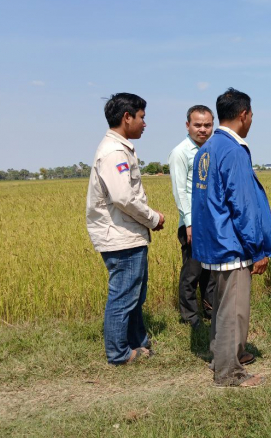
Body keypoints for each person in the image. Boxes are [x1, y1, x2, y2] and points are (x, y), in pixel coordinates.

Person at [192, 88, 271, 387]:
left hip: (214, 241)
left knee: (222, 304)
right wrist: (257, 249)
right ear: (244, 115)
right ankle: (230, 372)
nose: (251, 120)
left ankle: (221, 355)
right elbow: (243, 206)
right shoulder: (233, 150)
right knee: (235, 309)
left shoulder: (207, 148)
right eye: (251, 115)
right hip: (233, 243)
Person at [85, 93, 165, 365]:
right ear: (127, 117)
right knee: (123, 295)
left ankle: (137, 342)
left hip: (127, 234)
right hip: (120, 237)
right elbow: (124, 198)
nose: (145, 123)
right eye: (141, 117)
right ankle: (118, 353)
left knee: (135, 294)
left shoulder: (119, 148)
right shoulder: (114, 152)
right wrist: (153, 218)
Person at [168, 105, 215, 327]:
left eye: (207, 125)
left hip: (212, 222)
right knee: (192, 272)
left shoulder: (213, 149)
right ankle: (189, 317)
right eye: (197, 125)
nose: (202, 129)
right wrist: (189, 223)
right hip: (193, 224)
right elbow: (180, 191)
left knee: (211, 271)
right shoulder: (180, 152)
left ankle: (210, 309)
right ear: (188, 125)